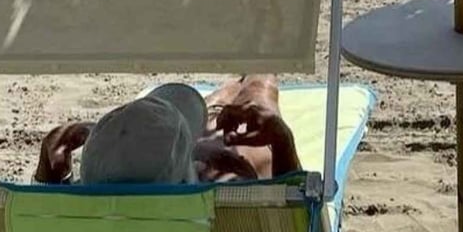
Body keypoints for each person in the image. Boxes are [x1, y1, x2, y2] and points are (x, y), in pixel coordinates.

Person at [35, 75, 302, 185]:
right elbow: (298, 224)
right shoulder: (231, 216)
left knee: (211, 114)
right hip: (215, 174)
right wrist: (283, 142)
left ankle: (223, 98)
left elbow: (38, 227)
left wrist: (48, 168)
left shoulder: (77, 221)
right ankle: (244, 82)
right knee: (258, 92)